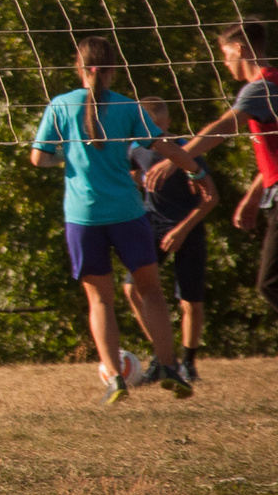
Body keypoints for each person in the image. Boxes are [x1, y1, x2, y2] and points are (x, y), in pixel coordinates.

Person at [30, 37, 197, 404]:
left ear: (79, 67)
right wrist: (196, 171)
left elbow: (38, 158)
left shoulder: (60, 106)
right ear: (113, 70)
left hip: (83, 217)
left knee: (100, 301)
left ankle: (115, 379)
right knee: (150, 291)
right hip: (127, 212)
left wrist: (69, 158)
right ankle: (170, 368)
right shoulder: (128, 108)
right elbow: (163, 145)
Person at [168, 20, 278, 321]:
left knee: (270, 284)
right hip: (273, 192)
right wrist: (255, 195)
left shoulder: (262, 88)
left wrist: (175, 156)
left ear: (240, 50)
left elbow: (222, 128)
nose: (224, 62)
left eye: (225, 53)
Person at [134, 96, 214, 387]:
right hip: (152, 229)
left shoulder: (184, 151)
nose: (154, 132)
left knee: (190, 302)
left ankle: (189, 364)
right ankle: (162, 357)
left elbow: (211, 197)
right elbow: (133, 173)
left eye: (157, 125)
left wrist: (182, 230)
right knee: (132, 289)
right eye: (147, 125)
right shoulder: (136, 150)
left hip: (187, 230)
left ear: (167, 123)